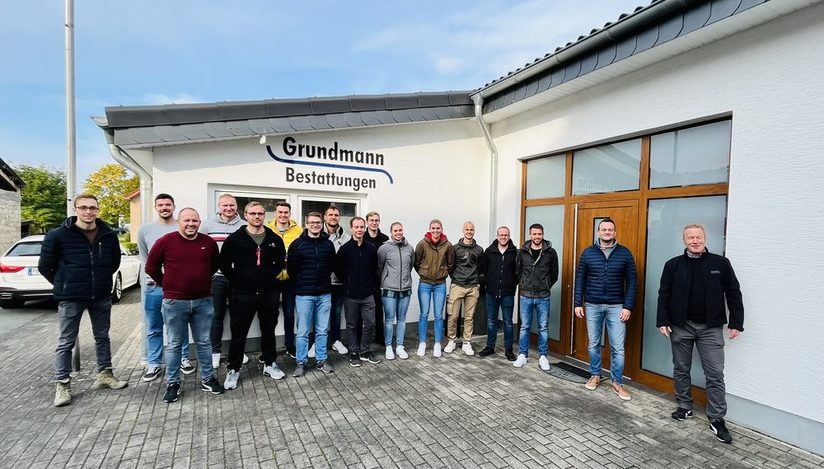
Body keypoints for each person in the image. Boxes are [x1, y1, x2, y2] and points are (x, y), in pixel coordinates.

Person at [657, 224, 744, 444]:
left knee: (715, 373)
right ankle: (684, 406)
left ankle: (717, 419)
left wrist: (736, 322)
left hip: (711, 328)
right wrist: (662, 320)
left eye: (698, 237)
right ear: (684, 241)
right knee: (681, 368)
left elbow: (733, 292)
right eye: (690, 238)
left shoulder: (720, 264)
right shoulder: (673, 265)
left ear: (705, 238)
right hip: (681, 326)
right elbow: (664, 293)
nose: (695, 241)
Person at [39, 194, 127, 407]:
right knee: (66, 342)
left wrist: (100, 280)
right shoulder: (58, 235)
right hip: (71, 298)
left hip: (101, 295)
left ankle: (105, 374)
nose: (88, 211)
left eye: (92, 208)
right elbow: (45, 266)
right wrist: (65, 283)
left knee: (102, 337)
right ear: (76, 209)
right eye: (83, 207)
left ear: (98, 210)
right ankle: (63, 384)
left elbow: (114, 262)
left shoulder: (108, 234)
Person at [146, 207, 224, 403]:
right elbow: (151, 267)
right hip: (175, 302)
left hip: (203, 301)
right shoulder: (165, 241)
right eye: (186, 220)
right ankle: (173, 383)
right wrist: (167, 285)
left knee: (203, 343)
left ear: (199, 222)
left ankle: (208, 378)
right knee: (174, 344)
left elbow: (214, 266)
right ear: (179, 222)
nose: (191, 224)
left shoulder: (208, 243)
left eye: (194, 220)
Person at [220, 202, 287, 390]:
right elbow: (224, 264)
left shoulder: (274, 238)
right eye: (252, 213)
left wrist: (268, 277)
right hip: (243, 293)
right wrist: (238, 280)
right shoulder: (235, 239)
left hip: (268, 292)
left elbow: (280, 262)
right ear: (246, 215)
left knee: (268, 329)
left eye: (260, 213)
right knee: (239, 332)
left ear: (265, 215)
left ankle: (269, 363)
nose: (256, 217)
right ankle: (233, 369)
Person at [574, 218, 638, 401]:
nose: (607, 232)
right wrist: (578, 303)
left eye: (610, 229)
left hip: (617, 306)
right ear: (598, 232)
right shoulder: (588, 253)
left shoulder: (625, 253)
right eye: (604, 229)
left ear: (615, 232)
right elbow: (580, 279)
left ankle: (617, 382)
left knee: (618, 347)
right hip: (592, 305)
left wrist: (628, 307)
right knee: (593, 343)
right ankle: (595, 375)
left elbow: (632, 282)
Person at [137, 193, 195, 382]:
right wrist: (160, 280)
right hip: (154, 287)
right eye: (160, 205)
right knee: (154, 327)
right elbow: (146, 259)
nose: (164, 207)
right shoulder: (145, 230)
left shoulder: (182, 226)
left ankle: (183, 359)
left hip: (178, 288)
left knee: (179, 326)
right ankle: (154, 363)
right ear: (155, 207)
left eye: (167, 204)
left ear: (173, 206)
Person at [288, 212, 336, 377]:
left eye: (318, 222)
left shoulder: (328, 244)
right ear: (306, 224)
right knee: (302, 331)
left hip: (324, 294)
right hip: (304, 295)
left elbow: (331, 265)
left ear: (322, 224)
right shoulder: (297, 244)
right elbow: (292, 270)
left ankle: (321, 360)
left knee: (322, 330)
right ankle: (301, 362)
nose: (315, 225)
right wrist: (303, 284)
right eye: (312, 222)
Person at [201, 193, 246, 369]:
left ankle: (238, 351)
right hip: (217, 278)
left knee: (238, 317)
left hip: (238, 279)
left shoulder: (244, 226)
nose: (228, 208)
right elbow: (201, 249)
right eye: (225, 205)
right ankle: (215, 351)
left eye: (231, 205)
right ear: (219, 207)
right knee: (216, 316)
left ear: (236, 206)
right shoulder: (207, 225)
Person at [335, 217, 380, 367]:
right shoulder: (345, 249)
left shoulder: (371, 248)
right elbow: (337, 268)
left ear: (365, 228)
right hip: (351, 295)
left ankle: (365, 351)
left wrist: (371, 285)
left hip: (367, 294)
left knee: (370, 323)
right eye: (356, 227)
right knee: (352, 325)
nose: (359, 230)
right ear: (351, 228)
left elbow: (375, 268)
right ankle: (353, 352)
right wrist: (347, 283)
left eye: (362, 227)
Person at [513, 223, 558, 371]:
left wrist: (546, 285)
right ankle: (523, 355)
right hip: (526, 295)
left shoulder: (550, 252)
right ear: (530, 234)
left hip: (543, 296)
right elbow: (518, 271)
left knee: (543, 327)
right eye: (534, 234)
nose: (537, 236)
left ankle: (543, 356)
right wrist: (523, 283)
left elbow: (554, 274)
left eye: (539, 234)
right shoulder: (522, 252)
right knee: (524, 326)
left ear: (543, 234)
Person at [266, 201, 302, 358]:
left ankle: (289, 345)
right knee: (269, 314)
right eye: (280, 212)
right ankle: (268, 349)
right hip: (272, 278)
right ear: (275, 213)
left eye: (285, 212)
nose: (283, 215)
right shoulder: (266, 229)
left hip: (290, 278)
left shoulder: (298, 230)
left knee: (289, 313)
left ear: (290, 214)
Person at [414, 219, 455, 358]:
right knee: (424, 314)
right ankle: (422, 343)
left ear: (441, 229)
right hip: (425, 284)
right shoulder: (422, 243)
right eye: (433, 228)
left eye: (438, 228)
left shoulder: (448, 245)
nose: (435, 231)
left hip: (440, 284)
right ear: (429, 229)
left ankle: (437, 343)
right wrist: (424, 272)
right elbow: (416, 262)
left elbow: (451, 263)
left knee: (438, 315)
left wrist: (443, 272)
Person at [445, 221, 484, 356]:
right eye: (467, 229)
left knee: (469, 317)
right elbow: (450, 266)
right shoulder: (455, 248)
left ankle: (467, 342)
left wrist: (477, 281)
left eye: (471, 229)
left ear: (474, 231)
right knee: (453, 316)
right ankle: (451, 340)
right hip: (457, 285)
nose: (469, 232)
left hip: (472, 286)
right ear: (463, 231)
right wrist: (456, 278)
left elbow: (481, 268)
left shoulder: (479, 250)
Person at [478, 226, 518, 360]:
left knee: (508, 322)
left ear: (509, 236)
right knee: (491, 321)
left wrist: (512, 284)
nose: (503, 237)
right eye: (501, 235)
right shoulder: (489, 251)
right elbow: (483, 270)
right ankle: (490, 347)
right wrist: (488, 283)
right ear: (497, 236)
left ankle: (509, 350)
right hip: (491, 292)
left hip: (507, 293)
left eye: (506, 235)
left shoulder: (515, 252)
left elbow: (518, 272)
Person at [315, 205, 350, 358]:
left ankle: (336, 340)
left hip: (338, 283)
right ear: (325, 217)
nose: (333, 217)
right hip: (321, 282)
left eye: (336, 215)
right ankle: (317, 343)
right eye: (330, 215)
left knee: (336, 313)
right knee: (319, 313)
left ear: (339, 217)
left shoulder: (346, 237)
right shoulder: (316, 234)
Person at [377, 222, 415, 360]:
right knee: (389, 319)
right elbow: (380, 266)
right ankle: (388, 346)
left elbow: (411, 265)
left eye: (400, 230)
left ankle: (399, 346)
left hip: (405, 288)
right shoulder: (384, 248)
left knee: (402, 318)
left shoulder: (409, 248)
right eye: (395, 230)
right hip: (389, 288)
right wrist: (386, 279)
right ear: (391, 232)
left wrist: (405, 279)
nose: (398, 233)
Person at [364, 211, 389, 346]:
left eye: (376, 220)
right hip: (366, 279)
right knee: (364, 311)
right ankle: (363, 338)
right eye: (371, 220)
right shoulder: (362, 237)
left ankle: (380, 336)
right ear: (367, 222)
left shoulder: (385, 239)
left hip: (381, 280)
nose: (374, 223)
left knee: (379, 309)